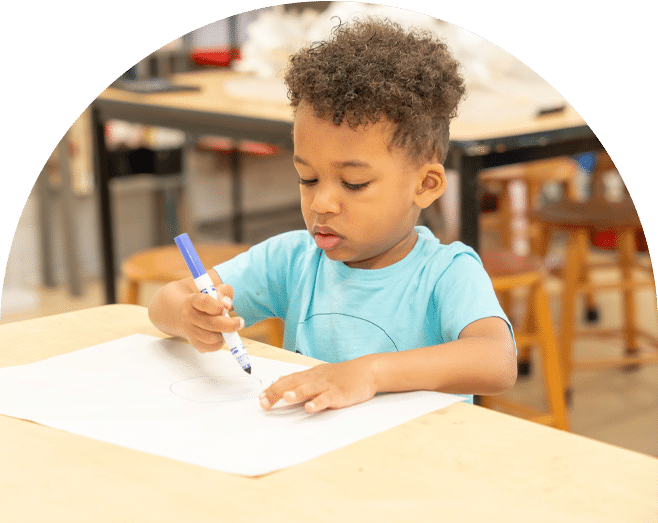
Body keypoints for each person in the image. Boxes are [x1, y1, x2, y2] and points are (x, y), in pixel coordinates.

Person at [149, 18, 517, 413]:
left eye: (354, 183)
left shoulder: (447, 273)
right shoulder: (291, 260)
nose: (321, 203)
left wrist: (368, 373)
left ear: (425, 186)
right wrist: (191, 316)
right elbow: (165, 302)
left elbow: (496, 361)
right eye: (307, 178)